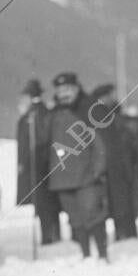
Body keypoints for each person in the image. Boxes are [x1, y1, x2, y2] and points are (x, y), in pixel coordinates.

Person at [48, 72, 108, 260]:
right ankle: (86, 254)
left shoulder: (87, 110)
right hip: (61, 178)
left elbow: (100, 145)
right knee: (75, 219)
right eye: (59, 90)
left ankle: (102, 254)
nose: (63, 94)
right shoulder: (53, 115)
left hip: (87, 177)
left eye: (67, 89)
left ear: (76, 89)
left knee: (93, 215)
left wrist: (97, 171)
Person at [15, 79, 63, 245]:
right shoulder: (43, 112)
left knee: (43, 202)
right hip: (45, 163)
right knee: (48, 201)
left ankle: (49, 236)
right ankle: (53, 234)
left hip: (37, 164)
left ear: (29, 96)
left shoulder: (34, 114)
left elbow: (39, 140)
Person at [93, 83, 138, 241]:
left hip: (117, 162)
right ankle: (125, 232)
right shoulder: (104, 114)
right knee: (120, 200)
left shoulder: (107, 114)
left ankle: (124, 232)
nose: (114, 97)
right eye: (110, 95)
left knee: (120, 200)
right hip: (114, 163)